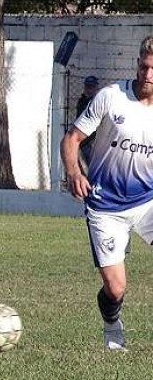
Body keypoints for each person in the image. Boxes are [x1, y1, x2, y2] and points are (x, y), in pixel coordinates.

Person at [60, 36, 153, 352]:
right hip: (106, 206)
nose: (148, 75)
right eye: (144, 67)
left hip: (147, 202)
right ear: (137, 64)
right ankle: (112, 329)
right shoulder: (111, 98)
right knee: (115, 288)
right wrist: (74, 172)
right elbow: (72, 139)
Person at [76, 75, 100, 167]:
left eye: (92, 87)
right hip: (83, 139)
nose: (89, 89)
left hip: (94, 139)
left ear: (96, 88)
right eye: (88, 87)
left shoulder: (98, 101)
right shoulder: (82, 101)